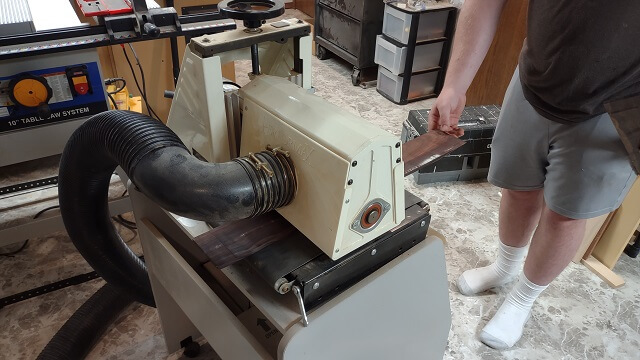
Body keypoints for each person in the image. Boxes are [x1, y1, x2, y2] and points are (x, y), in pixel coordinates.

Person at [428, 0, 640, 350]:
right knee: (518, 187)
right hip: (536, 78)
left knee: (565, 216)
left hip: (616, 103)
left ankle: (522, 298)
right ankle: (505, 267)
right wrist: (454, 85)